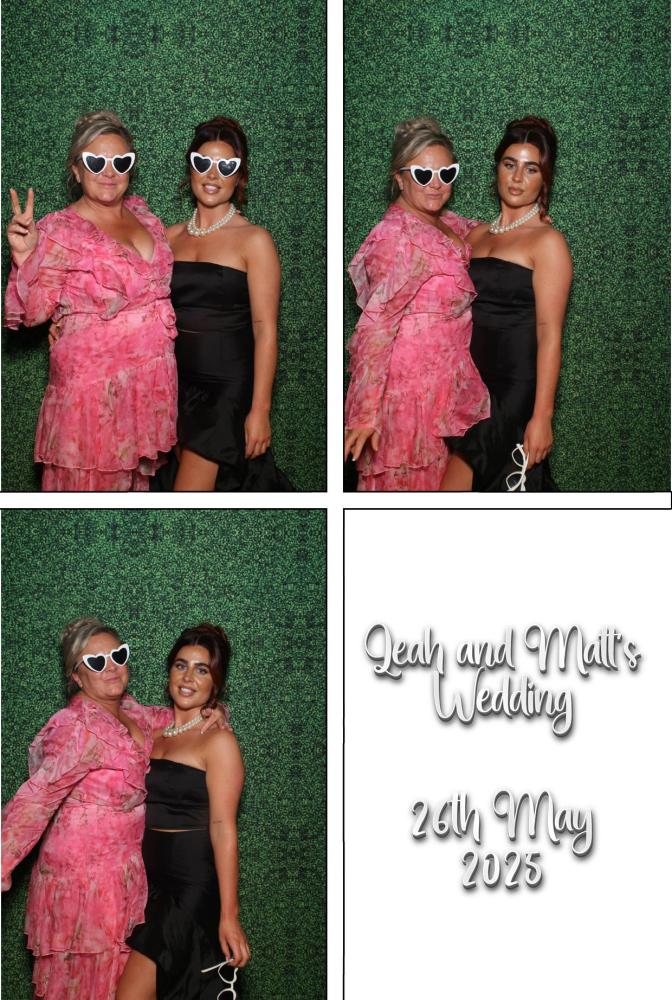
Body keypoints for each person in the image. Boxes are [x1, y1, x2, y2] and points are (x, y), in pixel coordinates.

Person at [1, 618, 227, 1000]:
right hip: (81, 886)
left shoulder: (132, 712)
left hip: (125, 881)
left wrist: (213, 711)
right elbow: (35, 799)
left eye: (118, 656)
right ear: (76, 676)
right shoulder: (75, 727)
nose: (111, 667)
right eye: (96, 661)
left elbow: (177, 720)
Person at [5, 111, 177, 491]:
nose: (109, 172)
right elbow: (34, 313)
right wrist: (25, 256)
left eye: (120, 162)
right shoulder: (59, 229)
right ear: (77, 170)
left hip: (146, 387)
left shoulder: (144, 216)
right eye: (96, 162)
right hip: (92, 392)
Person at [343, 116, 490, 491]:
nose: (436, 184)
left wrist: (525, 222)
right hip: (409, 399)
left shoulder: (443, 222)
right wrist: (363, 415)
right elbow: (375, 329)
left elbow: (481, 231)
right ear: (399, 178)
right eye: (423, 174)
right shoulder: (395, 237)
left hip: (446, 390)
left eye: (446, 173)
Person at [154, 117, 293, 491]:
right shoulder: (168, 237)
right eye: (203, 162)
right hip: (172, 386)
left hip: (225, 390)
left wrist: (260, 410)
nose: (213, 174)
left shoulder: (254, 240)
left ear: (239, 176)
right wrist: (68, 322)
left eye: (226, 166)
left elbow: (265, 331)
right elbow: (137, 304)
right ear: (190, 167)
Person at [118, 624, 249, 1000]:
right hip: (150, 887)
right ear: (169, 673)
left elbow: (223, 828)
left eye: (202, 669)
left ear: (215, 683)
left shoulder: (219, 741)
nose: (188, 677)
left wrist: (229, 915)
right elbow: (108, 705)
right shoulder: (154, 735)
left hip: (191, 886)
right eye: (180, 665)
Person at [443, 117, 573, 491]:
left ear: (544, 179)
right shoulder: (475, 235)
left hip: (512, 387)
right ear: (496, 168)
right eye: (509, 164)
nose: (517, 178)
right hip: (466, 384)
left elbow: (550, 334)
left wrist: (542, 416)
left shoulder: (548, 242)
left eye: (531, 169)